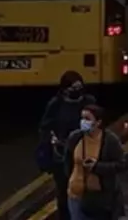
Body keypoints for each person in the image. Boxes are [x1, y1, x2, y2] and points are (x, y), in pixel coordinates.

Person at [39, 71, 96, 220]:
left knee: (85, 193)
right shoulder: (56, 104)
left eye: (79, 88)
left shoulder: (88, 102)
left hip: (84, 154)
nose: (77, 92)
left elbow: (98, 125)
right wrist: (50, 142)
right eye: (73, 89)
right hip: (62, 156)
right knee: (64, 193)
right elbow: (45, 127)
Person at [63, 104, 125, 220]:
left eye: (87, 119)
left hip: (98, 200)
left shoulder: (110, 141)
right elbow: (67, 161)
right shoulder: (75, 137)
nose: (83, 122)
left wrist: (96, 167)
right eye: (82, 118)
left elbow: (121, 164)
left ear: (98, 122)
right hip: (75, 195)